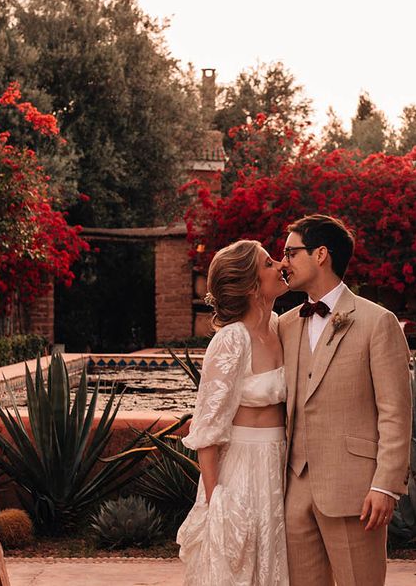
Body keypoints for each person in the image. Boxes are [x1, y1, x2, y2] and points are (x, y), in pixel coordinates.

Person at [278, 214, 412, 586]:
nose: (283, 262)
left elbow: (395, 412)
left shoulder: (377, 322)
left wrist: (385, 485)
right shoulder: (286, 325)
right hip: (294, 488)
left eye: (291, 252)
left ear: (321, 254)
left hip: (356, 489)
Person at [177, 239, 290, 586]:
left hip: (282, 465)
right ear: (252, 285)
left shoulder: (282, 328)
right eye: (269, 263)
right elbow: (207, 430)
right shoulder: (231, 340)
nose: (281, 265)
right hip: (242, 472)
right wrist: (217, 504)